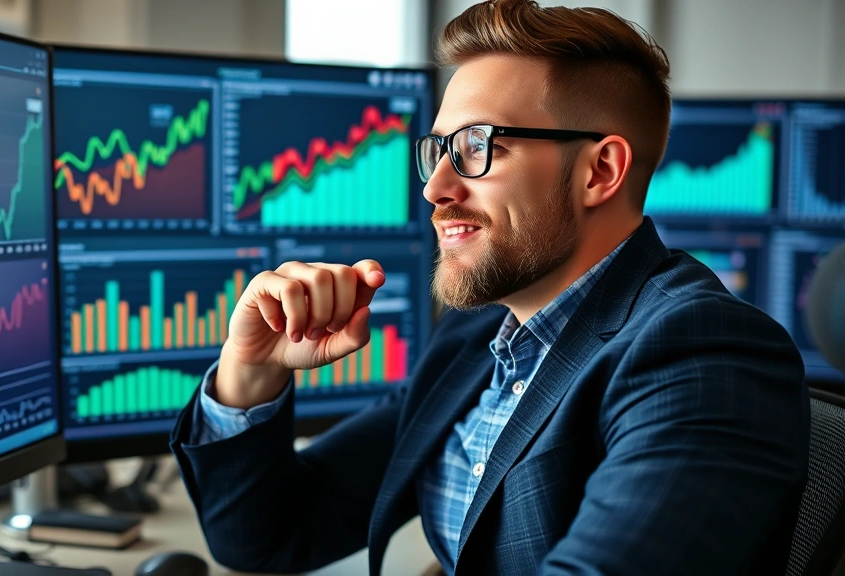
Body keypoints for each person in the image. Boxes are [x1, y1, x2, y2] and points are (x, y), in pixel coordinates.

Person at [169, 1, 811, 574]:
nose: (435, 189)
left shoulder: (700, 349)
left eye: (479, 146)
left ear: (600, 171)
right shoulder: (480, 337)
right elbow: (268, 539)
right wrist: (249, 371)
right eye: (439, 149)